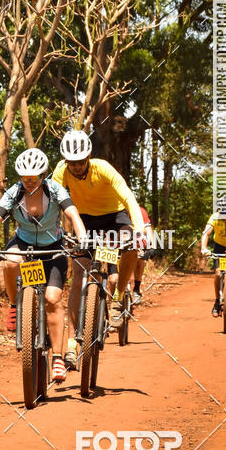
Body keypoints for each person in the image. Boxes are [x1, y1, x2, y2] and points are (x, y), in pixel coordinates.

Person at [0, 147, 87, 382]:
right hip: (24, 244)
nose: (29, 182)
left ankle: (57, 358)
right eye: (25, 178)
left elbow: (74, 216)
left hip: (53, 247)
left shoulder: (54, 190)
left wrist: (82, 240)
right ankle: (16, 305)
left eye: (33, 178)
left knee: (52, 300)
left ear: (43, 176)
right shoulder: (14, 193)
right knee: (10, 262)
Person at [52, 130, 145, 369]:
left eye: (81, 162)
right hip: (84, 221)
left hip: (114, 216)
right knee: (78, 277)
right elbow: (53, 203)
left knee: (131, 245)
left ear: (89, 157)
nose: (76, 167)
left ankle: (120, 295)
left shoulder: (103, 168)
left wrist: (140, 228)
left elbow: (128, 198)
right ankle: (72, 342)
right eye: (71, 163)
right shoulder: (61, 172)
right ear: (65, 161)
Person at [130, 205, 155, 305]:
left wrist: (152, 246)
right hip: (114, 240)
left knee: (140, 256)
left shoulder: (139, 211)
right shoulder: (112, 207)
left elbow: (148, 229)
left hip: (134, 241)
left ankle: (136, 289)